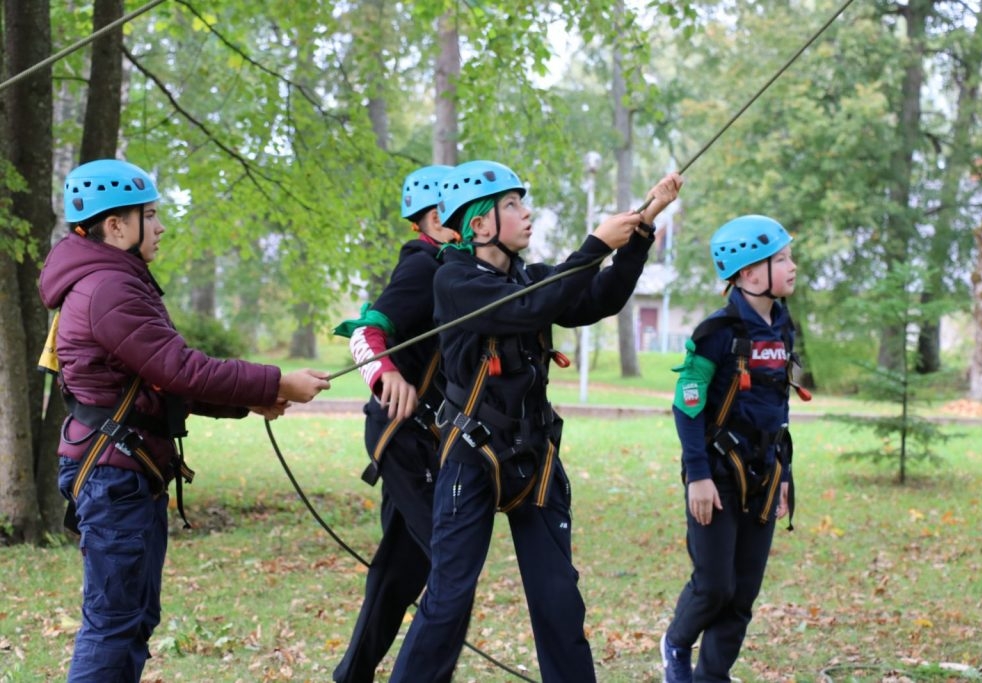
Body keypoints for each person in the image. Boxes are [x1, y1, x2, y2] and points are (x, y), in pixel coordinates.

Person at [388, 160, 683, 683]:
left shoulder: (529, 276)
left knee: (559, 602)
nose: (526, 214)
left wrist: (636, 235)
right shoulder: (454, 282)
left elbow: (596, 298)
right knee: (449, 600)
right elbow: (526, 309)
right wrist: (595, 244)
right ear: (479, 225)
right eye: (511, 205)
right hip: (471, 457)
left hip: (533, 458)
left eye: (522, 203)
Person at [37, 158, 331, 683]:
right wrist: (275, 382)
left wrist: (253, 400)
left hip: (122, 470)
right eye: (151, 215)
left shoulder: (111, 282)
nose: (162, 226)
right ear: (116, 226)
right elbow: (182, 368)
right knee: (114, 625)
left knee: (130, 620)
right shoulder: (108, 289)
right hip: (112, 474)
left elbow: (162, 379)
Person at [331, 164, 469, 682]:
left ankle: (352, 676)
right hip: (404, 438)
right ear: (437, 218)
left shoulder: (457, 269)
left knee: (399, 572)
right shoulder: (423, 268)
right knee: (452, 568)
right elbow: (365, 333)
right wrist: (387, 376)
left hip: (430, 440)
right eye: (464, 212)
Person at [660, 214, 803, 683]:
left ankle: (711, 676)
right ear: (747, 273)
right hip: (716, 475)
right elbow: (687, 406)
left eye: (788, 257)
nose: (792, 266)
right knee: (714, 585)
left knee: (742, 593)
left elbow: (776, 411)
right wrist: (697, 476)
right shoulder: (717, 332)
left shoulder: (783, 327)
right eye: (780, 259)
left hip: (763, 474)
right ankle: (676, 645)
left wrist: (784, 475)